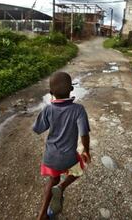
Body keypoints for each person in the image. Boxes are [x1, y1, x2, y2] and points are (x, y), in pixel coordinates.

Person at [33, 71, 91, 220]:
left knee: (53, 179)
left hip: (50, 157)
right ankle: (61, 188)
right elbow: (84, 134)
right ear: (71, 89)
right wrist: (86, 150)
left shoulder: (48, 109)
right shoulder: (78, 110)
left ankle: (42, 214)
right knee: (78, 170)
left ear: (51, 92)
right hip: (68, 158)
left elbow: (37, 129)